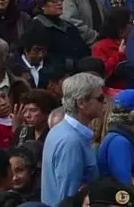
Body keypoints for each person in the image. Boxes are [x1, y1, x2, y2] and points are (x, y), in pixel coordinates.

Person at [41, 72, 107, 205]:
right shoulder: (70, 141)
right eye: (100, 98)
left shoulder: (61, 131)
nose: (104, 101)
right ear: (82, 103)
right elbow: (69, 198)